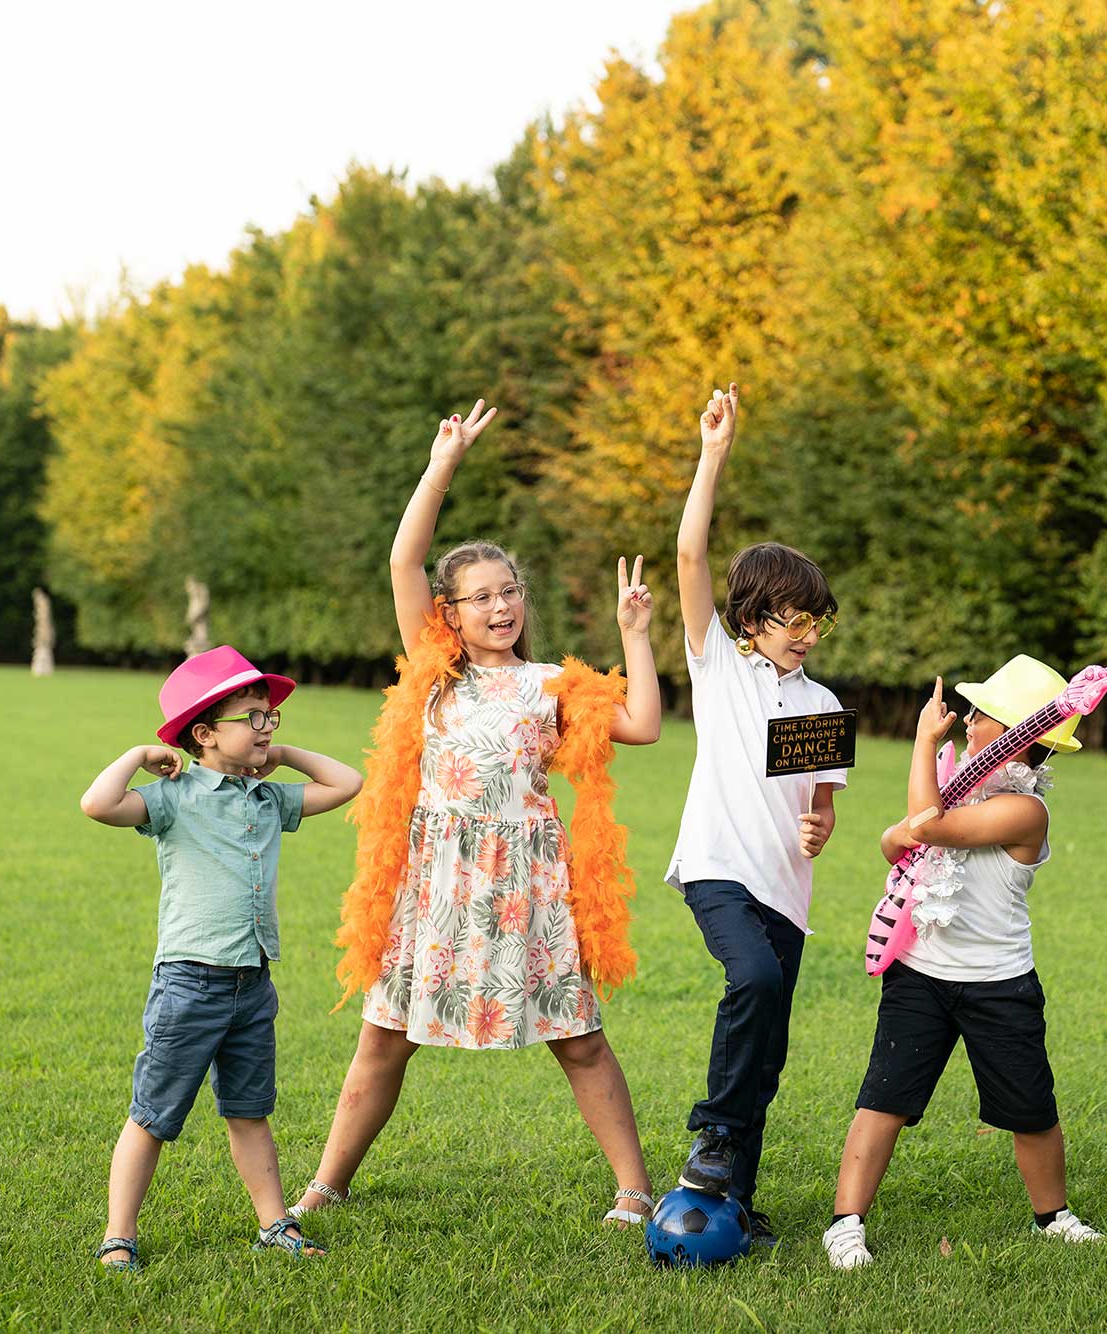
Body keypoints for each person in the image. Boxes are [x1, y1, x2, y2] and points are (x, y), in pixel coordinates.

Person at [292, 397, 662, 1227]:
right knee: (384, 1035)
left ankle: (633, 1187)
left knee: (579, 1038)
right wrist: (443, 464)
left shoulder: (550, 685)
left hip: (527, 879)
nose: (501, 607)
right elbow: (403, 558)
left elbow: (641, 724)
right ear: (448, 614)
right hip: (436, 879)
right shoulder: (437, 672)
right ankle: (328, 1180)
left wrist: (635, 632)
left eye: (510, 592)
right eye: (481, 597)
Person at [80, 646, 363, 1268]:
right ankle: (119, 1235)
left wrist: (281, 756)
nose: (266, 726)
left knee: (250, 1110)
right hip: (189, 983)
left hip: (252, 984)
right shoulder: (173, 799)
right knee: (153, 1114)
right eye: (252, 718)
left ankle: (274, 1224)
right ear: (204, 734)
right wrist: (136, 756)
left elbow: (348, 783)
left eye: (271, 717)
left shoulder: (268, 801)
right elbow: (98, 805)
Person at [823, 663, 1103, 1271]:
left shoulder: (1025, 810)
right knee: (884, 1098)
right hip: (919, 975)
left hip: (999, 984)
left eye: (983, 714)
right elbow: (900, 840)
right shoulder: (955, 784)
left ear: (1022, 736)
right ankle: (846, 1224)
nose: (968, 720)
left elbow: (933, 826)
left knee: (1030, 1108)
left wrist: (922, 745)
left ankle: (1054, 1217)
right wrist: (898, 836)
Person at [669, 384, 846, 1247]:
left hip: (787, 891)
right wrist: (713, 456)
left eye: (816, 621)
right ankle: (710, 1137)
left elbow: (819, 812)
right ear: (750, 618)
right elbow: (691, 554)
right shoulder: (721, 669)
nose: (806, 634)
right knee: (756, 982)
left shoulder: (821, 701)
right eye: (791, 618)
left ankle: (734, 1199)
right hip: (716, 869)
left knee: (767, 1050)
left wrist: (821, 828)